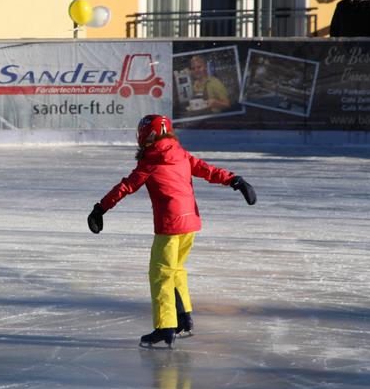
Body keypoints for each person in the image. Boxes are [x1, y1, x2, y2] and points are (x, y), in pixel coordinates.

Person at [87, 115, 256, 348]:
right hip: (190, 224)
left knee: (160, 275)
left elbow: (125, 187)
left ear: (147, 135)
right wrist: (235, 180)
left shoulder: (151, 161)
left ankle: (165, 327)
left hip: (169, 226)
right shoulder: (181, 154)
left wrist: (100, 209)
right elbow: (208, 170)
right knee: (176, 271)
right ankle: (184, 319)